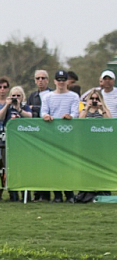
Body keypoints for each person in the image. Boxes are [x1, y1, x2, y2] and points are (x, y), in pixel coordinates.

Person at [41, 71, 79, 203]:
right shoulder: (48, 97)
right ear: (55, 81)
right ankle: (57, 195)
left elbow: (75, 113)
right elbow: (43, 111)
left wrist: (70, 116)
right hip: (52, 135)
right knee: (54, 166)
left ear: (67, 81)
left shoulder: (74, 96)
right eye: (59, 79)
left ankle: (69, 194)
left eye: (64, 79)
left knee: (67, 166)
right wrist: (46, 116)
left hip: (68, 136)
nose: (61, 82)